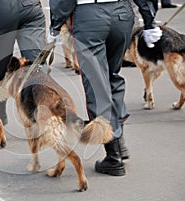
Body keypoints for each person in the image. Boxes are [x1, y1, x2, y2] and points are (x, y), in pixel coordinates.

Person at [49, 0, 161, 176]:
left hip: (89, 15)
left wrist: (56, 24)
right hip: (122, 14)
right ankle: (119, 142)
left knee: (97, 85)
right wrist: (149, 21)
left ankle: (113, 156)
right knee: (112, 77)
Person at [0, 0, 46, 125]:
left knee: (1, 64)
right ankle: (39, 113)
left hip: (2, 11)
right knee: (36, 65)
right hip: (30, 7)